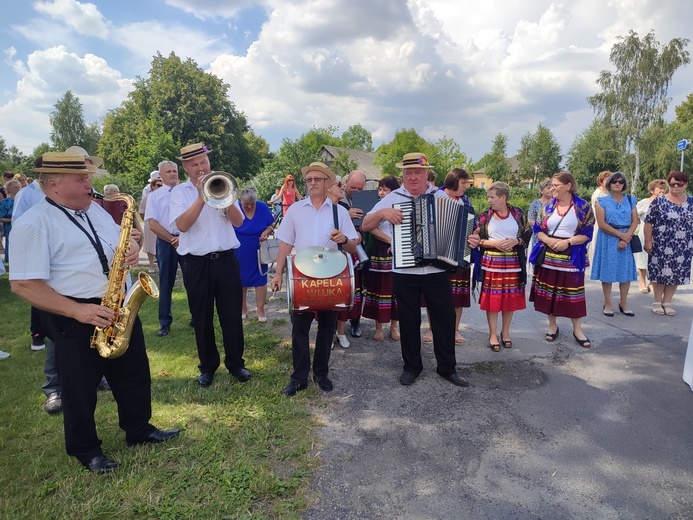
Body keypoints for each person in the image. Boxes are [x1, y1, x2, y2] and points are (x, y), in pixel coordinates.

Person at [9, 152, 179, 473]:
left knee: (133, 372)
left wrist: (129, 247)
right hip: (73, 312)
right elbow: (24, 285)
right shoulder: (33, 223)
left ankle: (138, 429)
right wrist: (78, 311)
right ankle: (85, 448)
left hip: (117, 304)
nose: (90, 184)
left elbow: (122, 241)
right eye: (82, 179)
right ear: (54, 184)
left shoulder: (95, 211)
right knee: (79, 386)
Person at [363, 152, 479, 387]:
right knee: (408, 319)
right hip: (405, 271)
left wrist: (471, 240)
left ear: (427, 174)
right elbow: (366, 224)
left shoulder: (443, 197)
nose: (413, 177)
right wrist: (382, 213)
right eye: (408, 173)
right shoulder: (391, 197)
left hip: (437, 270)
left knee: (444, 318)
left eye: (417, 172)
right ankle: (411, 366)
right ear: (403, 175)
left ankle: (447, 367)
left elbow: (463, 233)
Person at [271, 162, 359, 396]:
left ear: (327, 183)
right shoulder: (296, 210)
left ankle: (321, 372)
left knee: (327, 328)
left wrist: (343, 239)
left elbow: (352, 247)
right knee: (299, 328)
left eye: (317, 179)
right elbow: (285, 244)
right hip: (302, 276)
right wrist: (278, 273)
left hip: (332, 276)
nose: (312, 183)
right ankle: (299, 377)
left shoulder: (339, 212)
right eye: (309, 180)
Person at [170, 143, 250, 387]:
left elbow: (239, 222)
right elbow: (182, 226)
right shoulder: (179, 193)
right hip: (196, 263)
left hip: (226, 260)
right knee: (201, 317)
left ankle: (236, 363)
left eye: (203, 162)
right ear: (185, 167)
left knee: (232, 315)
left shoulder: (223, 184)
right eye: (194, 164)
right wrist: (201, 197)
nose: (200, 167)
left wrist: (224, 200)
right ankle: (207, 366)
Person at [529, 172, 594, 348]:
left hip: (571, 256)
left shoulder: (582, 207)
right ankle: (552, 327)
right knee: (550, 293)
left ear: (568, 186)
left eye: (556, 185)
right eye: (551, 185)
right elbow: (538, 229)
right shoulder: (548, 206)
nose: (552, 188)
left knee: (574, 294)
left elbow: (587, 233)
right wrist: (549, 240)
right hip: (549, 255)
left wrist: (568, 242)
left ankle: (578, 330)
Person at [474, 182, 532, 351]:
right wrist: (495, 244)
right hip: (492, 263)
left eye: (492, 197)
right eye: (488, 197)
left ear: (503, 197)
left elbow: (528, 234)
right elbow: (478, 240)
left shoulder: (518, 213)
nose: (489, 200)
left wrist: (517, 241)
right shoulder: (485, 216)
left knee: (509, 300)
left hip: (513, 263)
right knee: (493, 300)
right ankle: (492, 334)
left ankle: (505, 332)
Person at [422, 168, 474, 346]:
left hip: (458, 255)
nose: (466, 186)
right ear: (454, 181)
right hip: (436, 255)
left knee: (457, 295)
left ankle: (455, 329)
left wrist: (473, 237)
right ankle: (431, 328)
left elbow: (472, 229)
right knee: (433, 295)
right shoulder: (435, 197)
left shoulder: (465, 202)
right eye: (464, 182)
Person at [644, 171, 693, 316]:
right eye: (672, 184)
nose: (675, 186)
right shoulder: (659, 201)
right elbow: (648, 222)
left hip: (683, 245)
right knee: (660, 272)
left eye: (679, 184)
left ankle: (668, 301)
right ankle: (657, 301)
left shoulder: (691, 202)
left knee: (677, 273)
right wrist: (648, 241)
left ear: (685, 185)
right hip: (661, 243)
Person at [590, 172, 638, 316]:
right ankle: (608, 302)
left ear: (624, 184)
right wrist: (620, 236)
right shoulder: (601, 201)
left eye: (621, 181)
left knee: (626, 272)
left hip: (626, 237)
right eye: (614, 181)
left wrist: (625, 238)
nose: (617, 183)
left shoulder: (631, 200)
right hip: (608, 238)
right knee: (608, 271)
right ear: (609, 183)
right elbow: (602, 224)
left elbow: (635, 220)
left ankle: (623, 303)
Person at [144, 160, 184, 337]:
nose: (173, 174)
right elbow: (153, 223)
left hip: (187, 239)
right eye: (168, 171)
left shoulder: (186, 192)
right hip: (166, 242)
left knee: (194, 280)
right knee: (166, 282)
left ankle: (197, 317)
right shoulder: (155, 196)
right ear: (161, 175)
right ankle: (165, 322)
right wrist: (172, 239)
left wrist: (182, 238)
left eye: (175, 170)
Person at [362, 176, 401, 342]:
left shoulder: (401, 205)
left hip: (399, 252)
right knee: (380, 288)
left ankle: (394, 327)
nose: (381, 192)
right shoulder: (378, 207)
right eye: (380, 189)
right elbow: (372, 229)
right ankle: (379, 328)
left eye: (385, 189)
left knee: (396, 290)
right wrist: (391, 241)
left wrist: (398, 243)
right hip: (382, 250)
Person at [234, 187, 275, 322]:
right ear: (241, 201)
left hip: (258, 248)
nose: (250, 206)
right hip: (239, 247)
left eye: (253, 204)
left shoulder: (263, 207)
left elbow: (271, 224)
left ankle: (260, 309)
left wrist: (266, 232)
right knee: (240, 279)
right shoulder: (235, 207)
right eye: (247, 204)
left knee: (260, 278)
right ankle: (242, 308)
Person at [337, 170, 368, 339]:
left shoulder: (365, 199)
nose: (356, 191)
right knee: (340, 289)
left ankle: (355, 321)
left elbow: (366, 225)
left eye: (360, 188)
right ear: (346, 182)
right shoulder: (336, 199)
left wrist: (361, 232)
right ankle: (336, 326)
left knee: (357, 288)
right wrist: (345, 215)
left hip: (356, 249)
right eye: (353, 187)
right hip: (338, 250)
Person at [635, 179, 666, 293]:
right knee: (643, 258)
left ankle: (652, 282)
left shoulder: (666, 203)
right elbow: (634, 215)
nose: (662, 191)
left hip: (660, 235)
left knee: (657, 260)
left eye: (664, 188)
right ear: (652, 190)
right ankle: (642, 281)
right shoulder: (644, 202)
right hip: (645, 233)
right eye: (660, 188)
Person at [139, 175, 162, 273]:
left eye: (162, 185)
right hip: (150, 224)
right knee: (150, 245)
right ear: (152, 186)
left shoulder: (165, 196)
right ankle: (151, 265)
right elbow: (141, 210)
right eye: (158, 185)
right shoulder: (147, 197)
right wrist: (147, 220)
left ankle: (161, 265)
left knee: (161, 245)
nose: (160, 187)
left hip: (162, 224)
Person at [588, 171, 611, 267]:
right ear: (601, 182)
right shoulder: (599, 194)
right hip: (601, 224)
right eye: (607, 180)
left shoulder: (609, 192)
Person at [527, 179, 553, 252]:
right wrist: (541, 227)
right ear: (541, 191)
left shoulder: (557, 203)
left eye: (552, 188)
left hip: (552, 234)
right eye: (548, 188)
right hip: (538, 235)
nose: (551, 190)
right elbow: (530, 219)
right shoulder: (535, 203)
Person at [0, 179, 20, 263]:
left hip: (21, 226)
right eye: (15, 187)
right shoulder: (5, 202)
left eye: (19, 187)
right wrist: (11, 220)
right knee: (11, 243)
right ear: (9, 189)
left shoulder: (22, 200)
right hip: (10, 227)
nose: (18, 189)